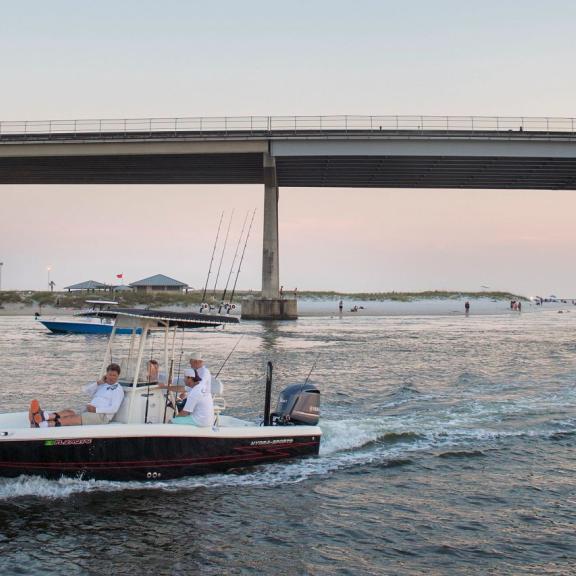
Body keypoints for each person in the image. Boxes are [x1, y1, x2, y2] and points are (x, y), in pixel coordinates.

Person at [29, 363, 125, 428]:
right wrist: (98, 383)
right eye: (110, 375)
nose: (112, 377)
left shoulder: (118, 389)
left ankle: (42, 425)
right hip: (90, 410)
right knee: (69, 411)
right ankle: (43, 416)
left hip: (102, 416)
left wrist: (96, 410)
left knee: (72, 419)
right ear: (106, 374)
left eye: (114, 375)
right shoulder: (102, 384)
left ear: (118, 376)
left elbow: (114, 408)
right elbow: (85, 390)